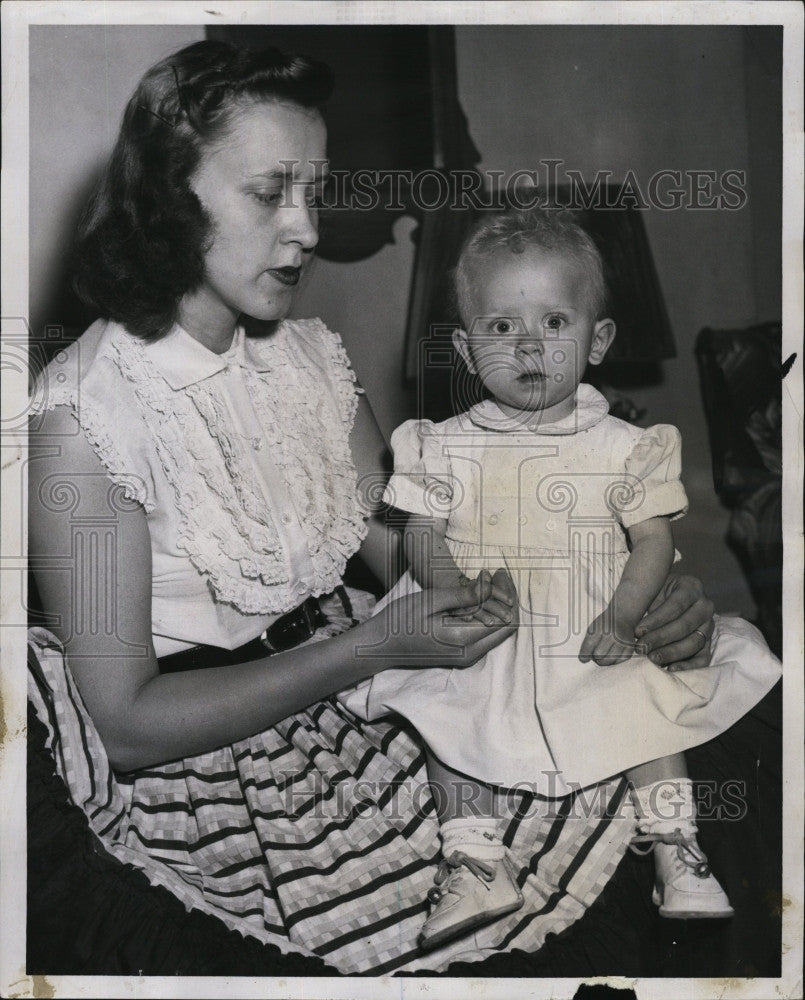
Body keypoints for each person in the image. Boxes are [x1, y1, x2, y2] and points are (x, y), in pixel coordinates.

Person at [27, 40, 721, 974]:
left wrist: (594, 591)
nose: (307, 229)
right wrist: (375, 647)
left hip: (356, 690)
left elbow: (400, 552)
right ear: (166, 196)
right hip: (219, 777)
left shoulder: (308, 354)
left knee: (642, 763)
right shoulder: (85, 416)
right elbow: (127, 722)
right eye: (271, 192)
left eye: (315, 191)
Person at [342, 209, 781, 951]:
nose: (530, 347)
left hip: (588, 607)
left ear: (596, 339)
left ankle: (675, 844)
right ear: (464, 346)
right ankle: (474, 856)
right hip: (487, 609)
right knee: (446, 712)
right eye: (502, 327)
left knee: (642, 696)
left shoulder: (622, 444)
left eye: (553, 321)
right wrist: (451, 589)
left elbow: (650, 542)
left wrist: (622, 614)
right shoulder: (441, 445)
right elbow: (420, 532)